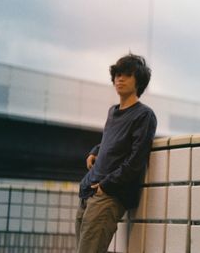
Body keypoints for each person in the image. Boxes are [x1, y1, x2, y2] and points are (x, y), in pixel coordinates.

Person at [75, 53, 157, 253]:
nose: (119, 78)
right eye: (117, 74)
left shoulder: (144, 115)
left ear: (139, 81)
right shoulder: (113, 111)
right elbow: (110, 141)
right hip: (89, 190)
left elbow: (135, 160)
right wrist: (96, 150)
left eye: (127, 74)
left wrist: (106, 186)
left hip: (109, 195)